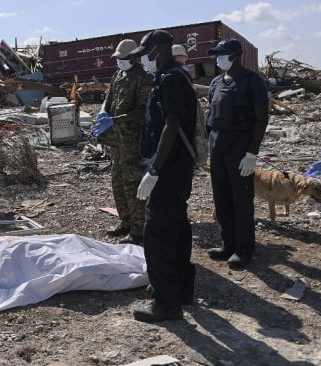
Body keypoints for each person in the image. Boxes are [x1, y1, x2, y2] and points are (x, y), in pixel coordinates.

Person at [129, 30, 198, 322]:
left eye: (144, 53)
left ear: (158, 50)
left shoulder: (171, 79)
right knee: (177, 227)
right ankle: (182, 289)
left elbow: (171, 125)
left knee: (156, 234)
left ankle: (166, 303)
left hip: (168, 169)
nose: (142, 60)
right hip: (174, 167)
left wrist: (155, 168)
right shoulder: (170, 76)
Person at [205, 39, 269, 269]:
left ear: (234, 55)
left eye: (221, 55)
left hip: (240, 145)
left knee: (241, 199)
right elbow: (210, 117)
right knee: (221, 196)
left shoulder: (253, 81)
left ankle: (244, 249)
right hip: (218, 145)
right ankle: (228, 244)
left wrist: (252, 153)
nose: (217, 59)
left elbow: (262, 119)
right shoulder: (216, 82)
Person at [91, 39, 152, 244]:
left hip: (132, 141)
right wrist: (102, 115)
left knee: (132, 184)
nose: (120, 62)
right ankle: (125, 222)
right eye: (118, 58)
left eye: (123, 58)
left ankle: (138, 230)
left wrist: (115, 120)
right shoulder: (118, 75)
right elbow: (107, 101)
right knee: (117, 182)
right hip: (116, 141)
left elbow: (142, 110)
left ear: (134, 57)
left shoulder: (143, 78)